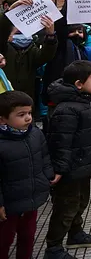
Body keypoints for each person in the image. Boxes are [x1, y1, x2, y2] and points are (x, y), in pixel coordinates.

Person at [45, 60, 91, 259]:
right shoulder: (67, 109)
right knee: (65, 207)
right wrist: (59, 169)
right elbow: (60, 143)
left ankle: (75, 234)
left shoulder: (82, 102)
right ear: (79, 84)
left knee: (80, 202)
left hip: (82, 168)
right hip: (69, 171)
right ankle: (53, 248)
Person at [0, 91, 55, 259]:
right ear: (2, 119)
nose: (28, 118)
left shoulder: (35, 134)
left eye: (30, 113)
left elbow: (44, 155)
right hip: (8, 207)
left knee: (28, 236)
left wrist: (48, 175)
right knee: (4, 241)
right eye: (21, 114)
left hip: (30, 201)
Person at [0, 0, 57, 109]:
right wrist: (9, 13)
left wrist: (50, 36)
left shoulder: (31, 48)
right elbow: (2, 30)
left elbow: (46, 56)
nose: (19, 29)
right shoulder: (3, 46)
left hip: (25, 101)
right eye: (16, 25)